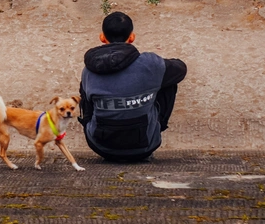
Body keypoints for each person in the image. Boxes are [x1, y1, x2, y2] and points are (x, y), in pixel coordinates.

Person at [78, 11, 187, 162]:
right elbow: (181, 69)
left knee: (86, 92)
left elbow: (87, 106)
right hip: (145, 146)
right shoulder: (150, 63)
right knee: (168, 80)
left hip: (101, 146)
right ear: (132, 37)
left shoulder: (88, 70)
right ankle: (155, 127)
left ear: (102, 37)